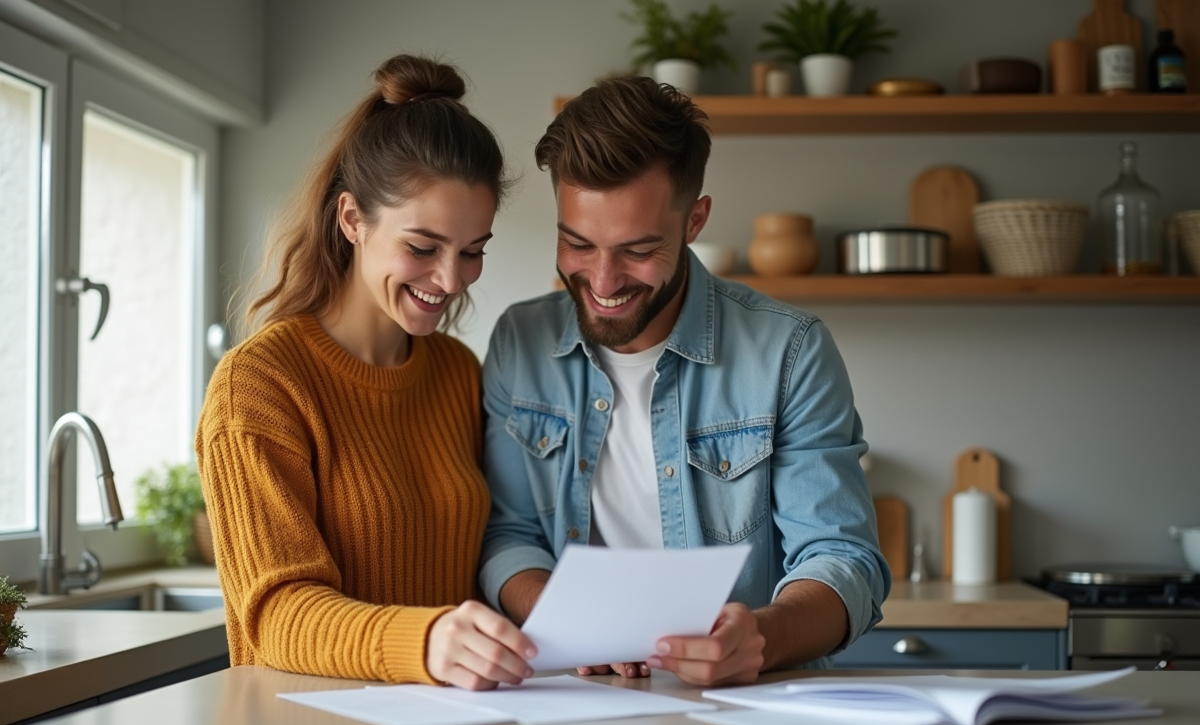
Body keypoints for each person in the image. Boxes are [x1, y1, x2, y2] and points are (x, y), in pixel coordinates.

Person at [478, 76, 890, 687]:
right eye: (577, 243)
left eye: (638, 249)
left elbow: (843, 559)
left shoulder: (790, 351)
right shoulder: (520, 342)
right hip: (571, 700)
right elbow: (507, 534)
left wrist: (761, 638)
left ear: (694, 220)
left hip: (747, 707)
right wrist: (565, 621)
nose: (603, 280)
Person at [195, 55, 536, 691]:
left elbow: (484, 554)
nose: (450, 279)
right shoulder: (260, 386)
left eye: (473, 252)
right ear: (352, 219)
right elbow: (274, 614)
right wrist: (426, 640)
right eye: (422, 247)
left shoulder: (457, 372)